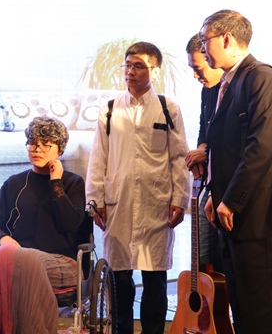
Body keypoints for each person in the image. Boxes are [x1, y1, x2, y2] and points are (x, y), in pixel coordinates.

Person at [86, 41, 190, 334]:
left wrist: (180, 199)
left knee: (155, 279)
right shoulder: (109, 110)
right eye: (127, 65)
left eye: (139, 66)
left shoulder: (168, 109)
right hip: (118, 203)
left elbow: (179, 158)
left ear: (154, 71)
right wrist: (95, 200)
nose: (130, 72)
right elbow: (98, 158)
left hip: (156, 204)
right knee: (119, 278)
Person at [201, 9, 272, 333]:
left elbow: (261, 146)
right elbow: (224, 146)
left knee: (261, 310)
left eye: (205, 40)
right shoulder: (228, 83)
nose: (202, 48)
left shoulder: (262, 78)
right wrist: (214, 193)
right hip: (231, 214)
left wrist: (231, 199)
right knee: (242, 307)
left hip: (255, 215)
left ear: (226, 39)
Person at [0, 116, 86, 334]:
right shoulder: (15, 183)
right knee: (6, 255)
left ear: (60, 150)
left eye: (45, 145)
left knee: (14, 258)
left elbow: (70, 224)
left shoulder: (72, 183)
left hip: (61, 262)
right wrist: (4, 239)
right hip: (14, 258)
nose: (37, 149)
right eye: (32, 143)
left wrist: (56, 183)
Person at [184, 33, 224, 273]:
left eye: (198, 68)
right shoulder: (207, 90)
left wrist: (206, 153)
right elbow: (204, 129)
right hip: (209, 182)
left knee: (221, 259)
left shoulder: (234, 88)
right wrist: (200, 151)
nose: (195, 75)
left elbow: (238, 141)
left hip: (229, 185)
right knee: (202, 256)